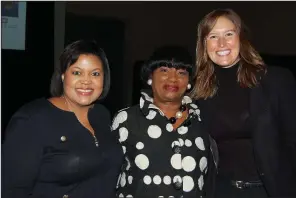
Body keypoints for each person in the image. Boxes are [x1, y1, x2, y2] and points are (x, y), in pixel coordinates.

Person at [191, 8, 296, 197]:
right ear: (204, 44)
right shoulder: (198, 93)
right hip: (221, 191)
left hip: (267, 191)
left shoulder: (276, 80)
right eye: (213, 36)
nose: (221, 43)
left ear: (241, 37)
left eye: (229, 34)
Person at [2, 40, 124, 198]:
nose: (86, 81)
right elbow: (12, 190)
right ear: (62, 75)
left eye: (95, 73)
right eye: (77, 72)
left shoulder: (102, 115)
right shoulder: (32, 119)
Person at [112, 46, 217, 198]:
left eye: (181, 72)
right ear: (150, 76)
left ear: (189, 81)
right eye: (164, 70)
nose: (173, 78)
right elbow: (108, 176)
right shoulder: (126, 120)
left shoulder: (203, 119)